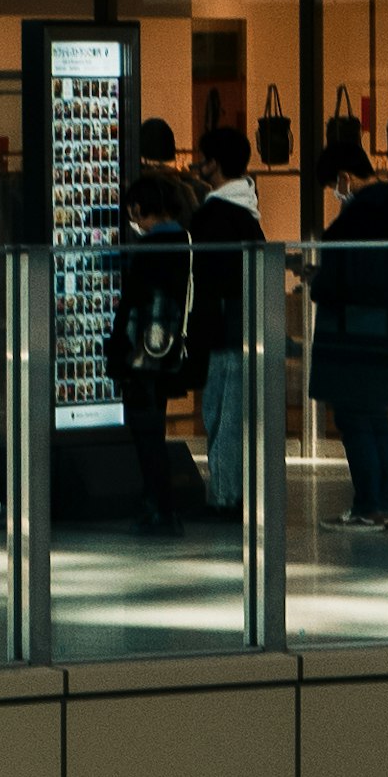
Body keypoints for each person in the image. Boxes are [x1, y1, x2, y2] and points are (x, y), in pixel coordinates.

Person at [314, 127, 388, 536]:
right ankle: (380, 504)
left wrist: (318, 281)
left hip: (352, 330)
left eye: (333, 185)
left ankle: (368, 506)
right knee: (375, 417)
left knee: (354, 418)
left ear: (345, 176)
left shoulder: (360, 215)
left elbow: (347, 278)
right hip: (383, 327)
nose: (335, 193)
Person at [108, 156, 203, 528]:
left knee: (146, 434)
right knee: (155, 428)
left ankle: (159, 504)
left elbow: (134, 304)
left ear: (138, 207)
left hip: (141, 356)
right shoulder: (187, 242)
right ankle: (162, 504)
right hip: (167, 353)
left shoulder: (149, 252)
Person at [188, 126, 265, 517]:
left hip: (223, 329)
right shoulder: (248, 209)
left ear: (214, 163)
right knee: (232, 414)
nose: (195, 162)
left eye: (202, 156)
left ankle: (225, 495)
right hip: (243, 326)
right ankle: (231, 491)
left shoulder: (214, 215)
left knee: (222, 415)